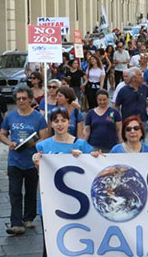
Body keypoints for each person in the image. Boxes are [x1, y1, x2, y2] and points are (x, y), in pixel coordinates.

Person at [32, 108, 92, 257]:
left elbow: (94, 166)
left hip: (76, 202)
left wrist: (84, 158)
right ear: (51, 124)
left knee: (74, 240)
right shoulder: (42, 147)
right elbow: (41, 173)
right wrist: (37, 164)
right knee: (50, 242)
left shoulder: (81, 145)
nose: (60, 124)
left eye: (63, 120)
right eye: (56, 121)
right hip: (50, 201)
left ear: (69, 123)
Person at [0, 86, 49, 235]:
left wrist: (34, 143)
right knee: (14, 192)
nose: (21, 101)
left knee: (31, 190)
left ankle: (29, 217)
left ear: (30, 99)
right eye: (18, 98)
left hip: (32, 160)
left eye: (24, 98)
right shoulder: (10, 117)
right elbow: (2, 134)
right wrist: (9, 143)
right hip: (14, 160)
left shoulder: (38, 117)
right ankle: (16, 223)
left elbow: (44, 137)